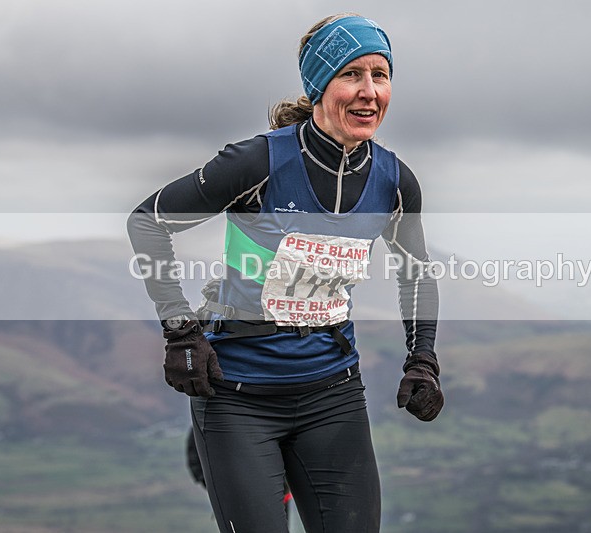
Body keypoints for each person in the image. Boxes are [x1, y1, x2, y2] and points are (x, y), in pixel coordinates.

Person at [127, 13, 442, 533]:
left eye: (380, 76)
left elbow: (416, 273)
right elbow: (148, 223)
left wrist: (423, 360)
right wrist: (179, 330)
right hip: (237, 397)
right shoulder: (258, 162)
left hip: (333, 393)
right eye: (351, 75)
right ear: (320, 85)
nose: (369, 92)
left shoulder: (394, 180)